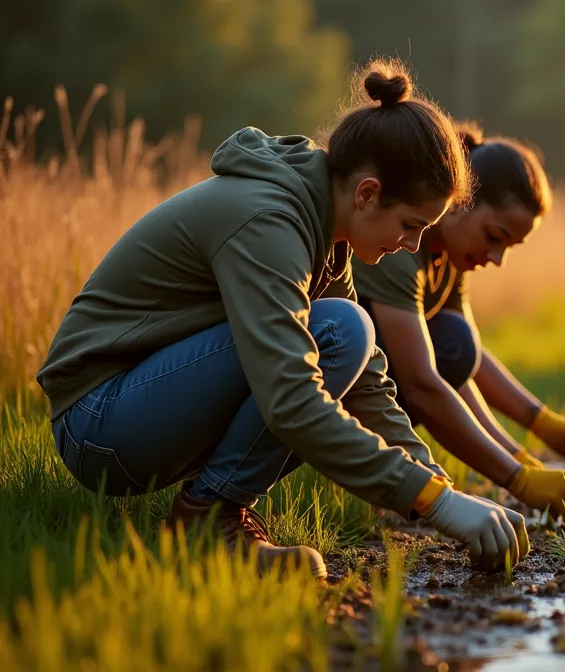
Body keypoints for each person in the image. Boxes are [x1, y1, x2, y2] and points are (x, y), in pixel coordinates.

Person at [37, 60, 531, 578]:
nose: (413, 245)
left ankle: (212, 511)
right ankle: (207, 520)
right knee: (341, 330)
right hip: (98, 422)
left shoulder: (327, 232)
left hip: (142, 409)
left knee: (346, 336)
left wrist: (439, 489)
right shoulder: (268, 220)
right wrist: (435, 503)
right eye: (411, 225)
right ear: (367, 193)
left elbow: (366, 383)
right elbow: (291, 398)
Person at [352, 122, 565, 520]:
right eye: (494, 235)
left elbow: (467, 362)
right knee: (450, 343)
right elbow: (422, 383)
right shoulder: (400, 246)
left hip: (375, 374)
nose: (497, 258)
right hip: (333, 370)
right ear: (461, 202)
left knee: (455, 338)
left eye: (509, 247)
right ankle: (386, 474)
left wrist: (534, 429)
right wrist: (516, 478)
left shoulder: (449, 257)